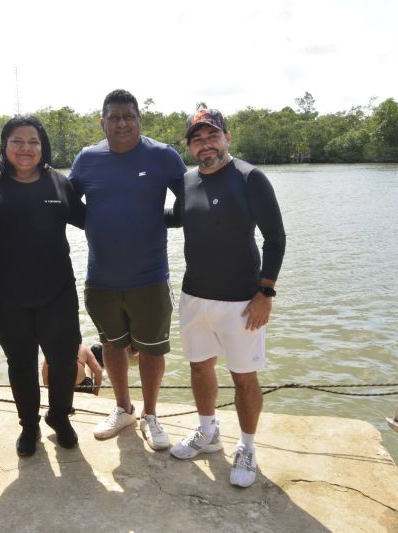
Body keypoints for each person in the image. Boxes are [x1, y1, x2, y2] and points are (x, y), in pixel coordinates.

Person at [167, 109, 286, 488]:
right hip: (194, 296)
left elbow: (275, 238)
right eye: (197, 139)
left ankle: (247, 447)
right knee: (199, 367)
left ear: (227, 138)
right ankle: (208, 432)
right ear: (189, 147)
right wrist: (128, 210)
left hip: (241, 301)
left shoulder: (250, 178)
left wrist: (265, 292)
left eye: (212, 136)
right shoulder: (187, 181)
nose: (206, 145)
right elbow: (177, 217)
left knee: (244, 376)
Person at [68, 89, 186, 450]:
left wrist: (159, 218)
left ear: (139, 119)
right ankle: (123, 409)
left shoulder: (163, 156)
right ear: (102, 122)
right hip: (101, 278)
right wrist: (96, 223)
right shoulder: (87, 159)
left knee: (152, 350)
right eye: (114, 117)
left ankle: (150, 415)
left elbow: (190, 200)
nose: (122, 123)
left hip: (150, 276)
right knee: (112, 345)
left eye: (128, 116)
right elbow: (69, 205)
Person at [0, 116, 86, 457]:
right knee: (20, 362)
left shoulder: (59, 182)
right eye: (17, 141)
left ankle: (59, 416)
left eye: (33, 141)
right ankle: (29, 425)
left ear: (42, 146)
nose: (26, 148)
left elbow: (91, 221)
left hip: (57, 292)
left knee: (64, 360)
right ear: (4, 146)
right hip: (1, 297)